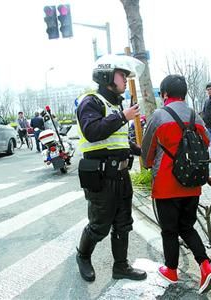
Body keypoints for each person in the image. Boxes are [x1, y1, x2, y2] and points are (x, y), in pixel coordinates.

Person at [141, 75, 211, 294]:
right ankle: (205, 265)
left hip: (166, 185)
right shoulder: (195, 116)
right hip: (192, 183)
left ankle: (172, 270)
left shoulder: (159, 115)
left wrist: (148, 164)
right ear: (183, 93)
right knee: (187, 226)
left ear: (164, 93)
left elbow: (147, 153)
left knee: (169, 231)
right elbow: (206, 142)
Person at [75, 54, 146, 283]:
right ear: (107, 75)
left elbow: (120, 142)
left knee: (123, 224)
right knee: (99, 226)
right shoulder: (91, 101)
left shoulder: (117, 105)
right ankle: (83, 256)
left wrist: (143, 151)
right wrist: (122, 117)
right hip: (101, 176)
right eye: (122, 75)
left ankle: (121, 266)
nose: (125, 80)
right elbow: (93, 132)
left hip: (122, 175)